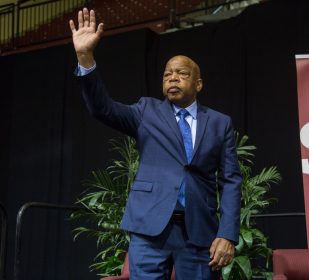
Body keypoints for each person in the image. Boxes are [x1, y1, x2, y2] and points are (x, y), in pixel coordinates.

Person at [69, 8, 242, 280]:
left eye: (181, 73)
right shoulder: (145, 111)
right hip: (150, 229)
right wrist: (85, 57)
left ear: (198, 84)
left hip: (199, 233)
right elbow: (102, 108)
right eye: (167, 74)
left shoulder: (220, 123)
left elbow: (231, 180)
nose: (172, 77)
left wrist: (227, 233)